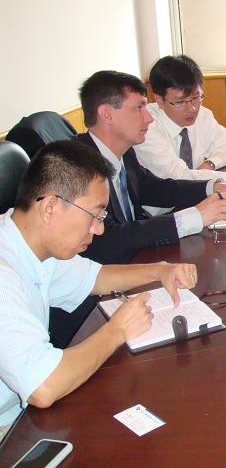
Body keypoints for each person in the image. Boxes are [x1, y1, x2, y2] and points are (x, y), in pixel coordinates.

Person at [0, 140, 198, 432]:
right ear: (51, 207)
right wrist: (118, 330)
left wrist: (160, 270)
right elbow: (44, 387)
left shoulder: (28, 240)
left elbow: (97, 278)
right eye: (95, 216)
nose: (100, 229)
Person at [76, 70, 226, 266]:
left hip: (138, 258)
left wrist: (214, 187)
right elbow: (104, 241)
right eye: (139, 108)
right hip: (105, 273)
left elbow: (152, 187)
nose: (149, 118)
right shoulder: (77, 165)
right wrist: (191, 218)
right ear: (106, 114)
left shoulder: (124, 151)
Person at [134, 55, 226, 186]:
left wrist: (209, 164)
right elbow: (179, 178)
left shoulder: (203, 115)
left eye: (196, 97)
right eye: (180, 102)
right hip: (163, 203)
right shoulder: (146, 125)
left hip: (200, 194)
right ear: (159, 99)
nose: (192, 108)